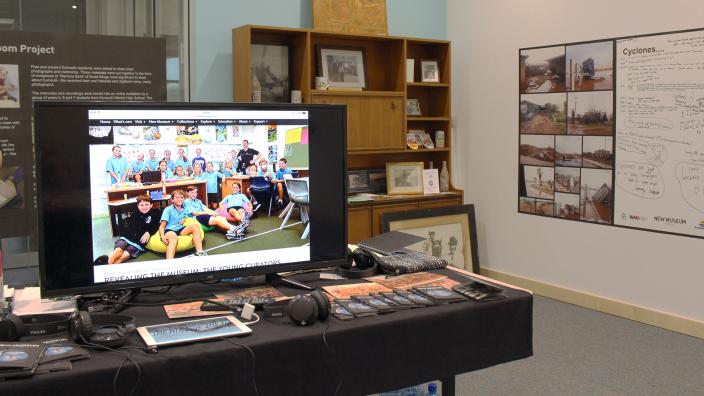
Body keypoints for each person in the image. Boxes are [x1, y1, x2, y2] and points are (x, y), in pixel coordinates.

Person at [96, 195, 161, 264]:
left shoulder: (155, 213)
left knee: (125, 254)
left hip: (139, 242)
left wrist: (149, 232)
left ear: (151, 205)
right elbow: (130, 227)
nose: (144, 207)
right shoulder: (135, 213)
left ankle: (110, 267)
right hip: (127, 237)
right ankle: (108, 263)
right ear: (138, 206)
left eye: (146, 204)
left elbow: (156, 225)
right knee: (118, 250)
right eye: (141, 205)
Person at [158, 189, 206, 259]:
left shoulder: (184, 209)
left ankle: (200, 252)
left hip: (180, 229)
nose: (179, 199)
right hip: (170, 230)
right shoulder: (168, 209)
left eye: (181, 197)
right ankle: (169, 261)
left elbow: (192, 214)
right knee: (173, 237)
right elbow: (162, 226)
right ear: (172, 200)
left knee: (195, 226)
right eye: (177, 197)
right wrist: (162, 236)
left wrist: (184, 218)